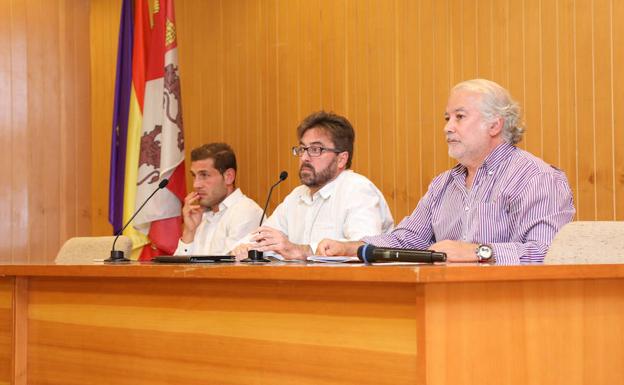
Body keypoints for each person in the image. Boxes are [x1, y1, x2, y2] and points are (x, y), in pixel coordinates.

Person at [316, 79, 575, 264]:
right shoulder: (443, 184)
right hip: (445, 306)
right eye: (446, 118)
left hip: (511, 309)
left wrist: (477, 253)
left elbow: (547, 253)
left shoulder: (536, 178)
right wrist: (354, 247)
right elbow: (409, 239)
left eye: (459, 117)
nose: (447, 128)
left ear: (495, 125)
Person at [231, 111, 394, 260]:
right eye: (302, 149)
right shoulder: (296, 196)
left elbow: (363, 249)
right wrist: (248, 247)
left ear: (341, 159)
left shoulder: (358, 190)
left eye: (316, 149)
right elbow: (265, 236)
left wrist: (300, 250)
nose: (305, 158)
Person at [174, 143, 263, 255]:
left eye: (204, 175)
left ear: (228, 177)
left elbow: (227, 268)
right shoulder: (200, 216)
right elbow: (177, 270)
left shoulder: (246, 212)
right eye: (194, 176)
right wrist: (189, 232)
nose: (196, 184)